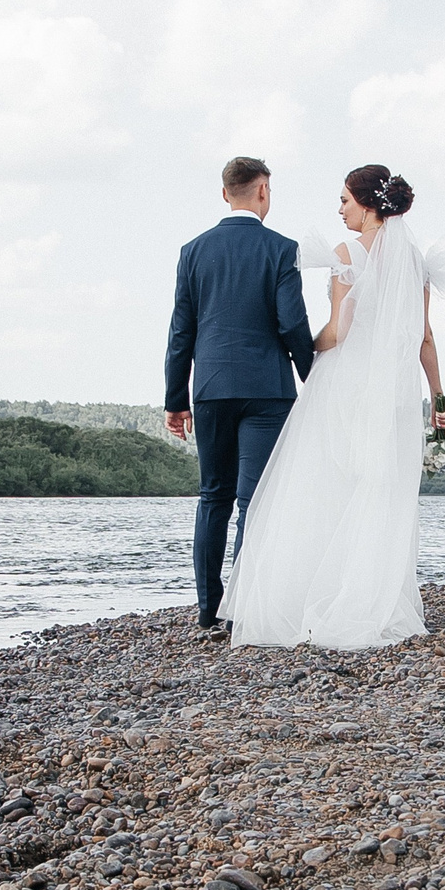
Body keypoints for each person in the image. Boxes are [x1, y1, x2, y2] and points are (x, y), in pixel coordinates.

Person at [220, 164, 445, 650]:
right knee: (379, 491)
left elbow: (338, 331)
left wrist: (300, 349)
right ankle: (373, 599)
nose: (340, 209)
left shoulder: (347, 253)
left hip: (345, 386)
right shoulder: (414, 260)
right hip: (393, 392)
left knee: (324, 487)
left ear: (369, 206)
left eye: (345, 200)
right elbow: (425, 338)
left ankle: (312, 596)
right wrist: (439, 400)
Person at [162, 157, 315, 633]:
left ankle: (209, 609)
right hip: (268, 390)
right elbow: (292, 323)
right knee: (254, 500)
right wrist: (315, 378)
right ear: (263, 191)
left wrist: (175, 399)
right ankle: (242, 610)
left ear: (224, 193)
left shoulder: (193, 251)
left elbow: (180, 332)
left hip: (210, 388)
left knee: (213, 497)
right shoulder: (281, 250)